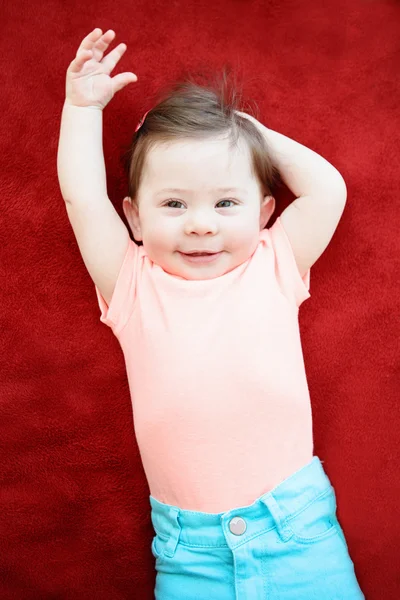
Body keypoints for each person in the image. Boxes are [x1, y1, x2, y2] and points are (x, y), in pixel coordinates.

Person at [57, 27, 365, 600]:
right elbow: (81, 196)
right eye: (174, 204)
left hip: (299, 537)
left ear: (266, 212)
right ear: (134, 219)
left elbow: (328, 190)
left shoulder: (273, 264)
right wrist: (81, 109)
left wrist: (250, 133)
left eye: (227, 202)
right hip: (189, 556)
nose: (202, 224)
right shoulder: (132, 285)